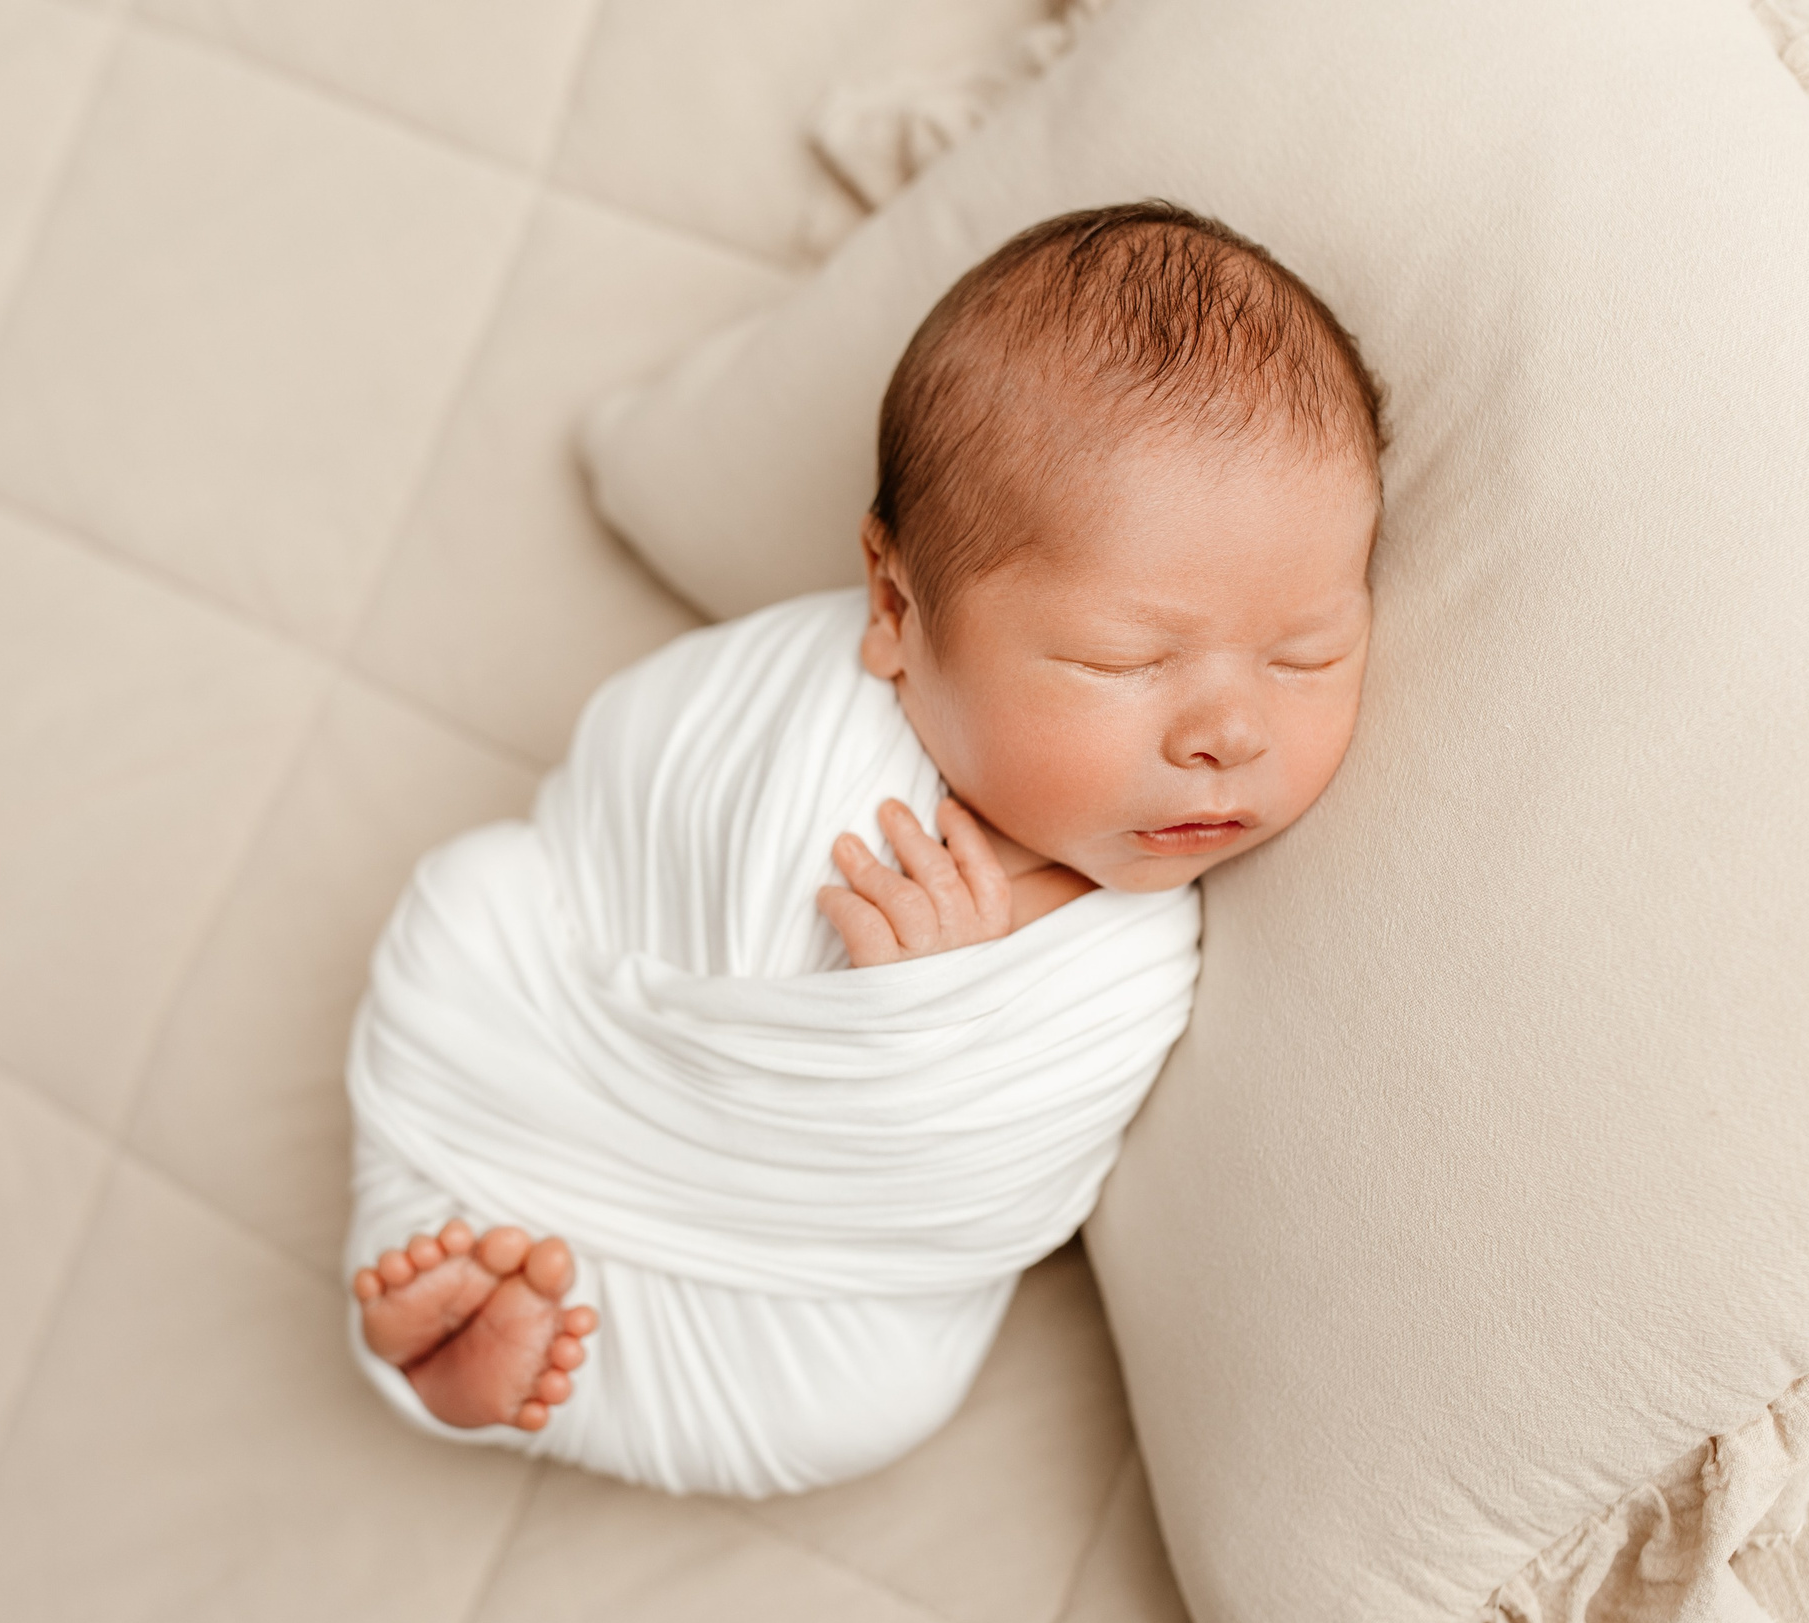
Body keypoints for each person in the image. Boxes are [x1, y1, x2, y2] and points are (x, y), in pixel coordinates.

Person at [344, 201, 1384, 1497]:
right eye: (1127, 660)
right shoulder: (797, 702)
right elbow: (632, 773)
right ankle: (450, 1306)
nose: (1231, 730)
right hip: (557, 1049)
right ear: (896, 607)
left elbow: (994, 1201)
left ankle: (501, 1354)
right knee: (467, 910)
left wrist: (923, 1023)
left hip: (812, 1256)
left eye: (1308, 656)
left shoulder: (1129, 953)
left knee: (870, 1397)